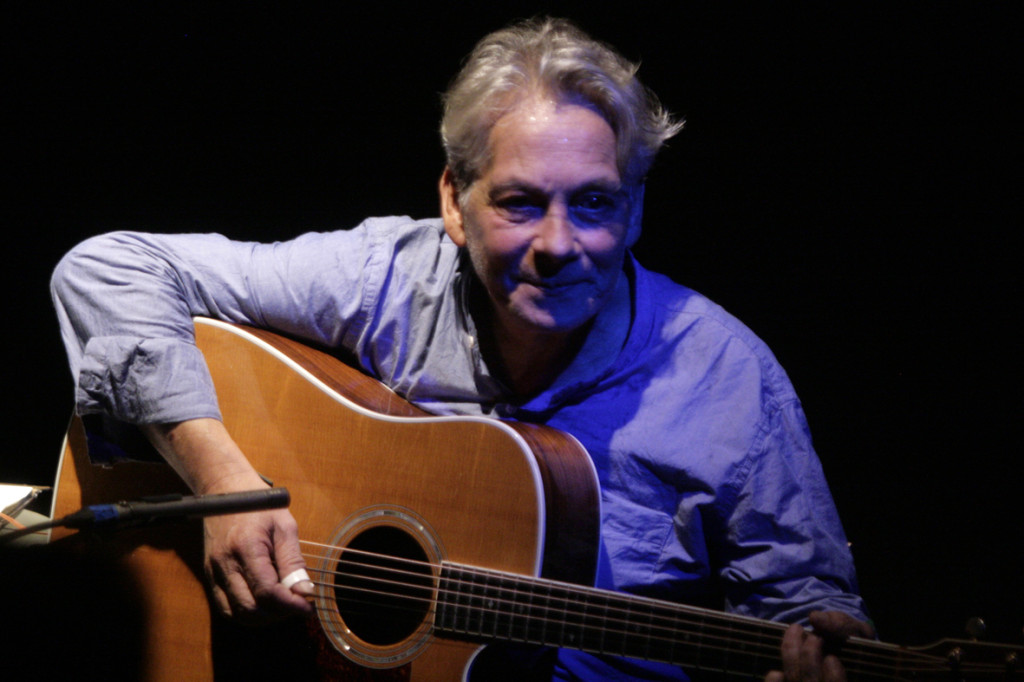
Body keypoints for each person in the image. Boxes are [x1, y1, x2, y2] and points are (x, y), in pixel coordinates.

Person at [51, 17, 873, 681]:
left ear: (636, 209)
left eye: (595, 203)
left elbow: (804, 607)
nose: (559, 245)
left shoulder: (727, 375)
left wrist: (819, 652)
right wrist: (224, 487)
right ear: (454, 199)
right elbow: (109, 269)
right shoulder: (387, 277)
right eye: (520, 202)